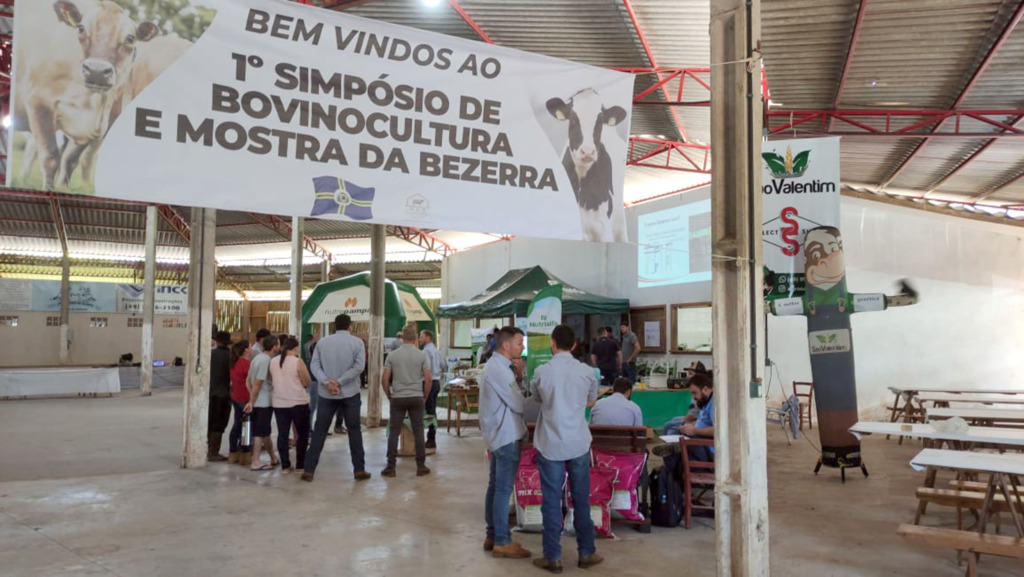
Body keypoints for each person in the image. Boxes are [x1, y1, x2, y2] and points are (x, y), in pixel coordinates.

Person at [532, 325, 602, 572]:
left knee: (551, 501)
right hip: (578, 443)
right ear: (574, 345)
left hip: (550, 443)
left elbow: (537, 397)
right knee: (581, 499)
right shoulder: (587, 373)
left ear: (552, 343)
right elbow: (591, 400)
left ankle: (552, 556)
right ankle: (586, 553)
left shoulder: (542, 372)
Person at [479, 326, 531, 560]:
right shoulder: (499, 370)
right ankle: (501, 540)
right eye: (519, 342)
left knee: (495, 486)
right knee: (502, 489)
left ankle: (493, 534)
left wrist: (518, 378)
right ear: (506, 345)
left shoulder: (498, 367)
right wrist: (521, 384)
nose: (522, 347)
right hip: (506, 435)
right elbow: (519, 405)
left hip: (498, 434)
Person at [305, 314, 370, 482]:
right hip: (350, 393)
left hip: (326, 393)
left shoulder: (322, 343)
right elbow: (359, 367)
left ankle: (309, 470)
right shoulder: (357, 343)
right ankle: (359, 470)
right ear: (350, 326)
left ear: (335, 326)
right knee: (354, 430)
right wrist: (340, 382)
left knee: (320, 431)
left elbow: (314, 365)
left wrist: (327, 382)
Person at [382, 325, 432, 477]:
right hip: (416, 397)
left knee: (394, 432)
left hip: (398, 397)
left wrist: (389, 395)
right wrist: (424, 396)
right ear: (416, 338)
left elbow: (384, 379)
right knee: (418, 431)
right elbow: (428, 379)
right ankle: (421, 466)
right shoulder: (422, 355)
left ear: (402, 338)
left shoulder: (392, 356)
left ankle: (391, 467)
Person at [655, 373, 715, 462]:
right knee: (673, 429)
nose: (693, 397)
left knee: (675, 441)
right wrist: (693, 425)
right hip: (699, 439)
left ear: (705, 389)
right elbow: (704, 421)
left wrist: (694, 430)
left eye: (694, 393)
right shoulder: (706, 401)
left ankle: (673, 454)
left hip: (706, 447)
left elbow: (718, 430)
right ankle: (672, 455)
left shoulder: (715, 404)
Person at [246, 335, 280, 471]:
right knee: (259, 433)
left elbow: (247, 381)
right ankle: (255, 461)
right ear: (274, 347)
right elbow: (258, 383)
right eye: (278, 344)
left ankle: (273, 457)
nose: (279, 347)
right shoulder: (266, 360)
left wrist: (251, 398)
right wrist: (252, 401)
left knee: (265, 432)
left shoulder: (257, 358)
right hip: (262, 403)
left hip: (259, 401)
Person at [207, 331, 233, 462]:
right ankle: (213, 451)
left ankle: (209, 448)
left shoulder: (210, 354)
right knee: (219, 423)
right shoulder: (230, 356)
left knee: (210, 421)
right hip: (224, 394)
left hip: (211, 392)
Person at [419, 329, 446, 449]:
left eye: (422, 337)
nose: (420, 339)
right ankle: (431, 437)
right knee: (432, 410)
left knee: (429, 411)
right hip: (436, 383)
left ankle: (431, 439)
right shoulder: (437, 351)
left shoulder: (425, 352)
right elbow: (444, 365)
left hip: (428, 382)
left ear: (428, 338)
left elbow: (426, 371)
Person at [228, 339, 252, 466]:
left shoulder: (235, 363)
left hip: (236, 397)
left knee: (237, 424)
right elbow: (252, 382)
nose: (252, 348)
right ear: (246, 350)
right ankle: (245, 453)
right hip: (245, 398)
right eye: (250, 346)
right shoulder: (246, 364)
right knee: (246, 427)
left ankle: (233, 452)